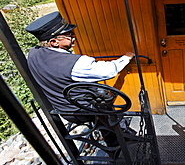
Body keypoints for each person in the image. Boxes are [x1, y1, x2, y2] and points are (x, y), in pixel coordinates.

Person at [25, 11, 135, 146]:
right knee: (104, 100)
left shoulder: (33, 54)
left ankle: (114, 139)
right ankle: (121, 136)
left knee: (98, 97)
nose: (74, 36)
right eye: (68, 34)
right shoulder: (75, 63)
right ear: (53, 42)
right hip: (81, 110)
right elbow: (109, 71)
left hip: (62, 108)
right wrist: (127, 57)